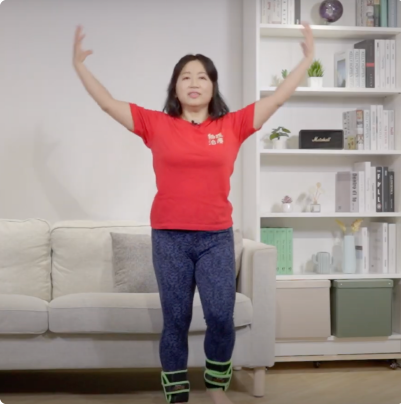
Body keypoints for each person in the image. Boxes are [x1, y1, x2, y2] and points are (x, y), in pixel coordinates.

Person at [72, 23, 314, 404]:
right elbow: (107, 103)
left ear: (213, 86)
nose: (194, 82)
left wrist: (307, 61)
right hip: (169, 237)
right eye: (185, 76)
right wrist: (80, 67)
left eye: (202, 76)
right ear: (175, 88)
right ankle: (177, 394)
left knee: (220, 315)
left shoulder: (232, 125)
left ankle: (216, 386)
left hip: (216, 238)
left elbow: (277, 99)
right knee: (176, 319)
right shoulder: (156, 124)